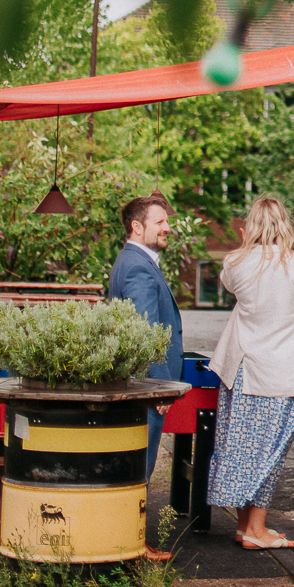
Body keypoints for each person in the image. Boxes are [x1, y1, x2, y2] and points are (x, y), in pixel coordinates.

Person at [208, 195, 294, 549]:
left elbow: (232, 281)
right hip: (283, 373)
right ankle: (257, 532)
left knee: (245, 446)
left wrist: (248, 245)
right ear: (284, 226)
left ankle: (247, 526)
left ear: (250, 227)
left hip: (243, 370)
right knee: (270, 450)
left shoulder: (234, 263)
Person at [109, 194, 184, 561]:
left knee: (139, 463)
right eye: (160, 222)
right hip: (146, 388)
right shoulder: (137, 266)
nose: (168, 227)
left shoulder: (135, 260)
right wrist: (159, 386)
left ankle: (127, 540)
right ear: (137, 227)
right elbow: (146, 329)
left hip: (142, 386)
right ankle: (130, 544)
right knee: (140, 466)